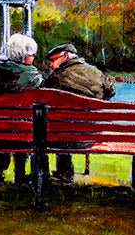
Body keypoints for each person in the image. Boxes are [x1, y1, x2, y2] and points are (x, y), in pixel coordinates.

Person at [43, 43, 116, 183]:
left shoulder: (56, 78)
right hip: (92, 136)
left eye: (53, 60)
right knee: (67, 127)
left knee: (61, 128)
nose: (51, 65)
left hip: (62, 138)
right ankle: (64, 172)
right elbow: (111, 91)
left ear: (65, 56)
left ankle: (62, 172)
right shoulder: (97, 73)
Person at [0, 33, 43, 184]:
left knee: (5, 126)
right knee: (22, 129)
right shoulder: (34, 77)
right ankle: (20, 174)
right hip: (24, 134)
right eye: (32, 54)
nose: (33, 57)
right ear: (25, 56)